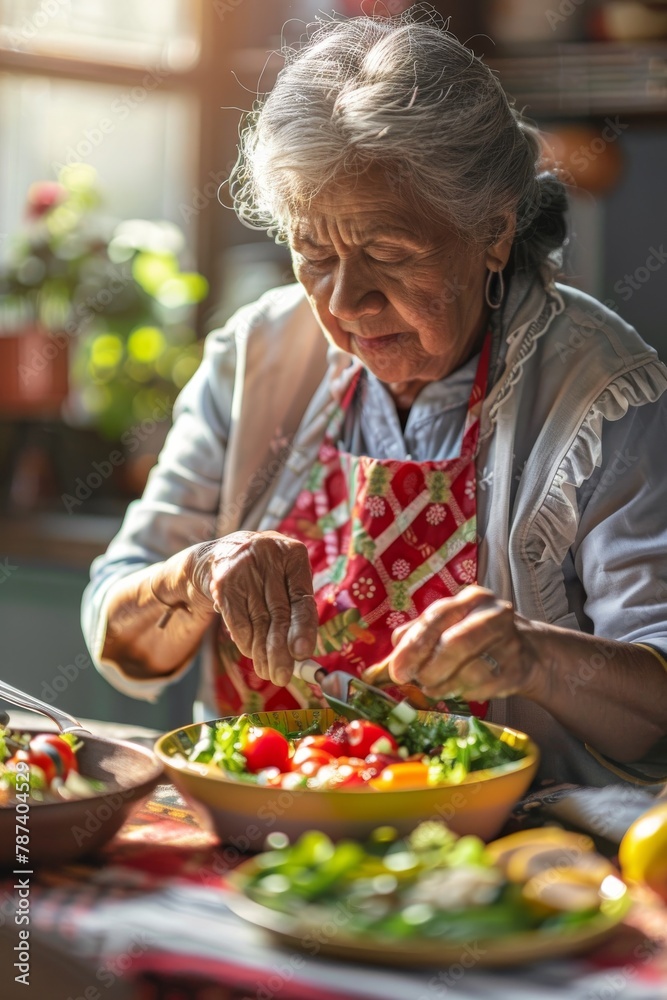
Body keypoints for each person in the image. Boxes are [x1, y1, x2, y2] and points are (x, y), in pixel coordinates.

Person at [82, 8, 667, 786]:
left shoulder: (605, 397)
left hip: (495, 861)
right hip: (257, 829)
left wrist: (536, 657)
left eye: (387, 253)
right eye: (313, 254)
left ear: (492, 231)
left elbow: (656, 709)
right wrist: (192, 576)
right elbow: (122, 643)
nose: (347, 301)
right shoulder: (257, 354)